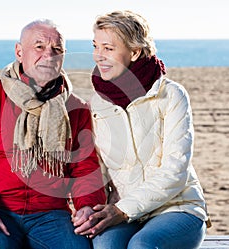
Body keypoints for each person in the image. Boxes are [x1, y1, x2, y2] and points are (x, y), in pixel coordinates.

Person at [0, 19, 106, 249]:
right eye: (39, 46)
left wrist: (87, 206)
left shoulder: (75, 107)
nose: (49, 54)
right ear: (19, 52)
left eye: (57, 49)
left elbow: (84, 169)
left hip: (51, 215)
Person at [72, 10, 210, 249]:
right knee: (104, 246)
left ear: (134, 52)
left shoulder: (171, 94)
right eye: (96, 46)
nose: (98, 56)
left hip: (177, 207)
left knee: (142, 245)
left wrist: (122, 210)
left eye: (108, 48)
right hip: (122, 209)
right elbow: (98, 168)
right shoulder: (98, 103)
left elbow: (175, 171)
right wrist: (90, 207)